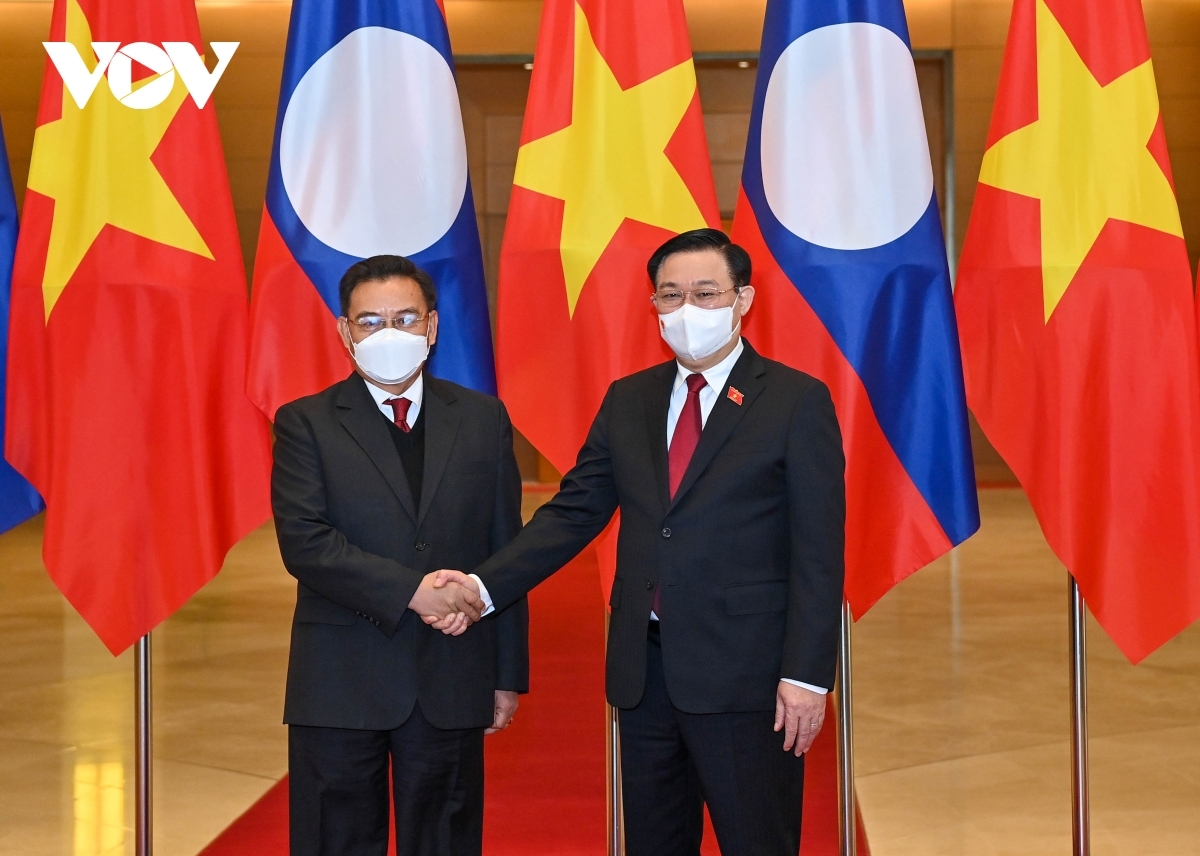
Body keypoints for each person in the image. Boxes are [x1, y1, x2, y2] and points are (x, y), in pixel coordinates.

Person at [430, 229, 845, 856]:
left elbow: (819, 550)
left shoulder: (794, 400)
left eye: (706, 294)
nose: (687, 310)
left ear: (744, 299)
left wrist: (808, 678)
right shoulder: (631, 400)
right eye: (670, 296)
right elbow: (572, 514)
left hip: (749, 677)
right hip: (643, 673)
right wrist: (482, 588)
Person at [271, 254, 529, 856]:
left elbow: (506, 549)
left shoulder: (483, 419)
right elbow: (305, 541)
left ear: (432, 327)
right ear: (345, 332)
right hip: (340, 678)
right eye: (370, 321)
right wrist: (413, 591)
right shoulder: (306, 422)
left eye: (406, 317)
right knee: (334, 839)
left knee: (446, 837)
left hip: (452, 674)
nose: (389, 333)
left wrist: (507, 673)